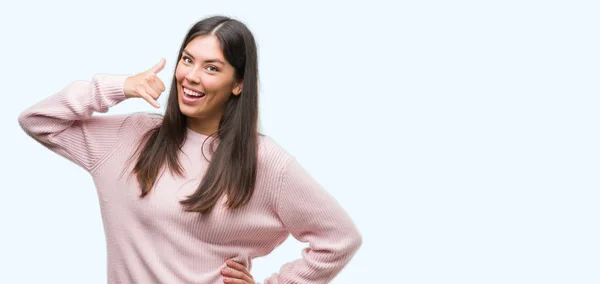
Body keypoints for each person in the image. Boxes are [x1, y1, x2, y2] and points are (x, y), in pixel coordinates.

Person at [18, 15, 362, 284]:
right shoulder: (130, 136)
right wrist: (118, 86)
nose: (191, 76)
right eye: (188, 60)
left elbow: (339, 238)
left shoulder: (263, 160)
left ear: (238, 83)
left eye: (212, 67)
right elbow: (39, 121)